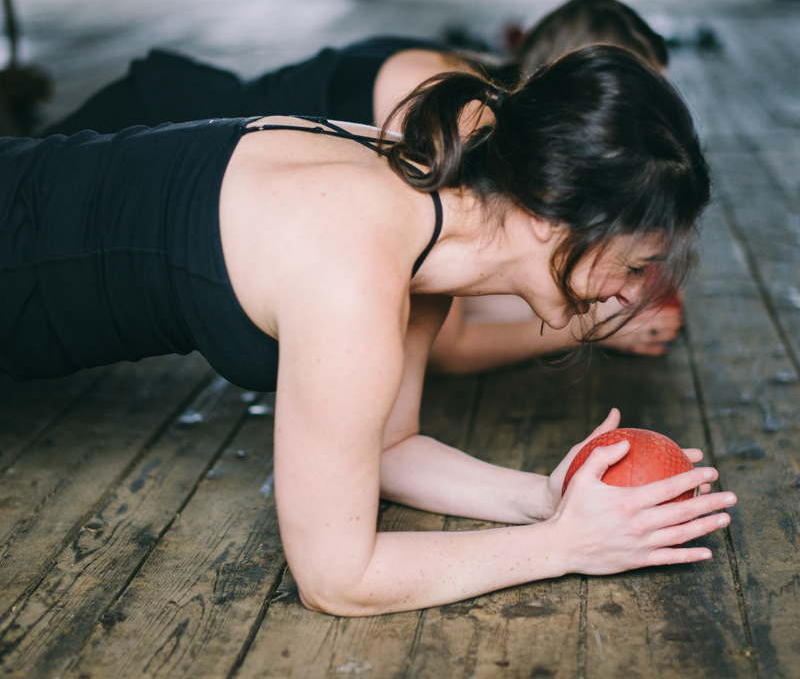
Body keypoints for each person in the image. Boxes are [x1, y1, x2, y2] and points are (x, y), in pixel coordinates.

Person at [1, 45, 735, 615]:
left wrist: (548, 496)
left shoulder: (436, 213)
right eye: (634, 264)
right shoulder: (355, 268)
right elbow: (337, 579)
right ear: (550, 214)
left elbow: (389, 448)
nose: (630, 292)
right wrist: (560, 547)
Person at [39, 0, 679, 369]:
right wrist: (590, 325)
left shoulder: (479, 110)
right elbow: (444, 346)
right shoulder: (458, 119)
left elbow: (476, 272)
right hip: (151, 130)